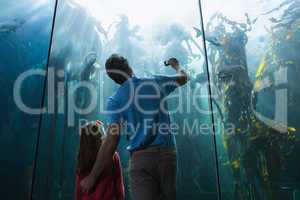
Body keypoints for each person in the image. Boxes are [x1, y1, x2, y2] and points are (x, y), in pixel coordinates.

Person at [80, 54, 189, 200]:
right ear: (128, 66)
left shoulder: (115, 101)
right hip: (167, 155)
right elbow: (183, 78)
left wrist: (92, 176)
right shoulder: (155, 82)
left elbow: (112, 141)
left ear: (114, 79)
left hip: (141, 160)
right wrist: (176, 65)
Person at [76, 120, 125, 200]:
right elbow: (119, 187)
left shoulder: (82, 159)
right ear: (100, 137)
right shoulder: (113, 157)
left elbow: (79, 192)